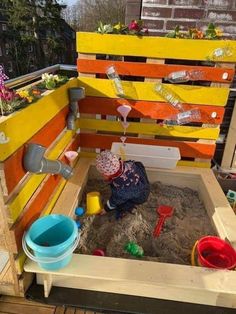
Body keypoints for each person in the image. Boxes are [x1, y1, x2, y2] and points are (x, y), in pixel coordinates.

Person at [96, 150, 150, 218]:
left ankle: (130, 208)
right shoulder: (128, 164)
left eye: (102, 174)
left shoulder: (121, 188)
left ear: (107, 174)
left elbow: (115, 200)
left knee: (120, 204)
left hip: (140, 197)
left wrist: (106, 208)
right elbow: (140, 165)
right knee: (138, 165)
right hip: (143, 184)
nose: (102, 175)